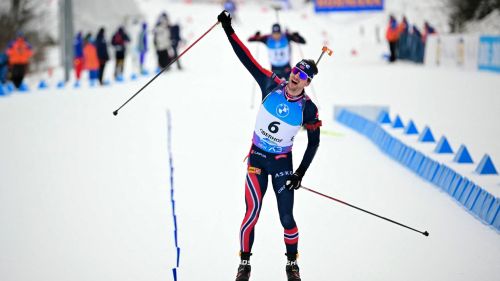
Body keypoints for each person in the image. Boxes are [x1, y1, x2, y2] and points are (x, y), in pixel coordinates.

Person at [217, 11, 321, 281]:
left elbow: (314, 142)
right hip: (257, 160)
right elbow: (246, 58)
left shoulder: (308, 109)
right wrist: (228, 29)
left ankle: (292, 265)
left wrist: (300, 173)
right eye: (296, 71)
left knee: (287, 218)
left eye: (303, 76)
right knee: (251, 214)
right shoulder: (270, 83)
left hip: (283, 166)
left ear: (308, 82)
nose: (297, 77)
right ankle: (244, 265)